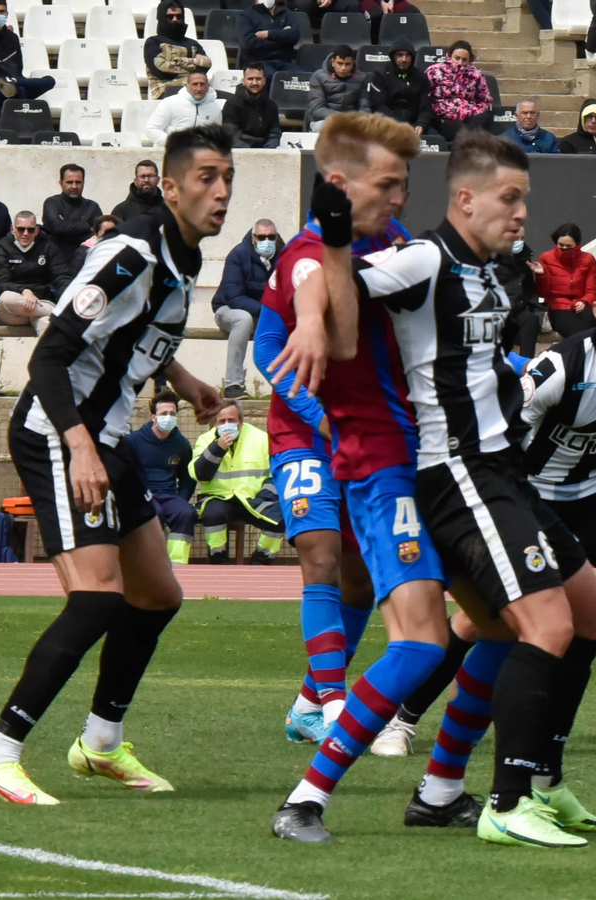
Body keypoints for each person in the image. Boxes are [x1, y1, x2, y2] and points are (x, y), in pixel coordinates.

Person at [284, 125, 596, 849]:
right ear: (466, 200)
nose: (522, 214)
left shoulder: (491, 270)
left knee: (585, 611)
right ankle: (504, 800)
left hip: (501, 469)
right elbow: (333, 293)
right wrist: (324, 275)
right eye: (510, 198)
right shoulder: (421, 258)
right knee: (509, 631)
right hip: (453, 469)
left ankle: (477, 788)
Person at [0, 126, 232, 806]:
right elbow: (50, 356)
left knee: (158, 595)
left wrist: (186, 381)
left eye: (228, 177)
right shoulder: (131, 252)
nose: (221, 191)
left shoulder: (183, 254)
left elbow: (132, 334)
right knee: (98, 598)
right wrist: (80, 445)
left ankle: (101, 744)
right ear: (171, 188)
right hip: (58, 430)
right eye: (206, 178)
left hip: (105, 435)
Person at [387, 261, 596, 769]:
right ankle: (403, 720)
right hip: (533, 502)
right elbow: (498, 436)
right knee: (478, 621)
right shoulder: (560, 366)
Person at [251, 114, 411, 746]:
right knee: (318, 554)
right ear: (342, 186)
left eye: (402, 185)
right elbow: (271, 344)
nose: (399, 198)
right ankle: (335, 703)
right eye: (388, 185)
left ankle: (307, 701)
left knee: (361, 579)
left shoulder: (393, 238)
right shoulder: (302, 252)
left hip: (368, 436)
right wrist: (319, 413)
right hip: (304, 434)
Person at [190, 403, 284, 564]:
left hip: (253, 498)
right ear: (215, 423)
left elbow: (275, 473)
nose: (227, 425)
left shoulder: (261, 439)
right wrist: (217, 448)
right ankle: (219, 560)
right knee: (213, 514)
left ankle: (261, 560)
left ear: (241, 422)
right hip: (219, 497)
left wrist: (266, 496)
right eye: (222, 421)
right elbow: (200, 475)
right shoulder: (205, 440)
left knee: (280, 515)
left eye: (231, 420)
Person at [123, 391, 197, 565]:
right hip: (144, 495)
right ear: (153, 417)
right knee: (153, 515)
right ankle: (152, 564)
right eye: (164, 414)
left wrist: (181, 499)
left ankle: (178, 563)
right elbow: (126, 473)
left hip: (169, 495)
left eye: (172, 414)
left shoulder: (182, 444)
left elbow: (188, 477)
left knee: (186, 513)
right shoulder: (133, 441)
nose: (168, 417)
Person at [214, 219, 280, 400]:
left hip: (263, 312)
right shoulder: (238, 255)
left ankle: (290, 387)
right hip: (228, 309)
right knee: (243, 319)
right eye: (262, 237)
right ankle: (233, 385)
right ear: (253, 238)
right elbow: (234, 297)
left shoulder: (283, 256)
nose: (267, 241)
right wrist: (268, 311)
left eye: (271, 237)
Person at [0, 211, 68, 339]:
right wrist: (24, 291)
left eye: (30, 230)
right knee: (6, 298)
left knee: (49, 332)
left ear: (37, 231)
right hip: (12, 311)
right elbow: (0, 283)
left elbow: (61, 276)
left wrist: (70, 297)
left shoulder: (48, 247)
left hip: (39, 305)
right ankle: (59, 314)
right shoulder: (1, 248)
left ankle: (53, 316)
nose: (25, 234)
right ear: (13, 229)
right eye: (21, 229)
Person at [536, 223, 596, 336]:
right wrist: (542, 275)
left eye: (568, 246)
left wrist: (584, 301)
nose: (564, 249)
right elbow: (543, 293)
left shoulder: (588, 259)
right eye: (561, 245)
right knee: (575, 329)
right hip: (559, 306)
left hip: (582, 305)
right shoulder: (546, 258)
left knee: (594, 324)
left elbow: (592, 290)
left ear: (577, 244)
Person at [426, 41, 495, 141]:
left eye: (464, 60)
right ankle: (465, 142)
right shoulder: (434, 71)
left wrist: (476, 110)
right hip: (443, 116)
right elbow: (425, 96)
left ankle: (464, 141)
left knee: (483, 118)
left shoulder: (476, 74)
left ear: (469, 60)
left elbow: (485, 100)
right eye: (457, 58)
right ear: (450, 55)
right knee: (461, 131)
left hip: (469, 116)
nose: (460, 62)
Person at [363, 41, 431, 136]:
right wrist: (396, 124)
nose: (404, 59)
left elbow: (425, 108)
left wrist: (421, 124)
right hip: (388, 122)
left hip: (414, 123)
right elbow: (379, 105)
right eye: (400, 55)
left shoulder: (421, 77)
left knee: (436, 141)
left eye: (408, 55)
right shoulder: (380, 75)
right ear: (393, 57)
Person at [145, 0, 210, 98]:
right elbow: (161, 71)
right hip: (166, 90)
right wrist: (193, 63)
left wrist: (177, 62)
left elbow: (205, 67)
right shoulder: (153, 42)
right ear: (162, 18)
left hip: (196, 88)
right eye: (170, 17)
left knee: (228, 98)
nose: (175, 19)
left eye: (179, 16)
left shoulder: (193, 44)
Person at [41, 164, 104, 261]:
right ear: (61, 183)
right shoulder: (52, 203)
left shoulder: (92, 206)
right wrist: (87, 227)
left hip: (85, 260)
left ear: (83, 183)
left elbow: (99, 234)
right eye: (69, 182)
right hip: (56, 261)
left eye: (78, 182)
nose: (74, 186)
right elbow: (57, 226)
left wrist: (65, 228)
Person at [145, 71, 224, 146]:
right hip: (170, 151)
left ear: (208, 86)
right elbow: (151, 129)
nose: (199, 88)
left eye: (202, 84)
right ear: (187, 86)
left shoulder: (215, 108)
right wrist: (174, 144)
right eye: (194, 84)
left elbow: (216, 136)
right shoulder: (170, 103)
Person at [220, 64, 283, 150]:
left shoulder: (271, 105)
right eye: (250, 79)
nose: (254, 83)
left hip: (266, 151)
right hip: (241, 151)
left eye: (258, 79)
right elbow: (231, 134)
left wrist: (268, 151)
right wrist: (250, 153)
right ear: (243, 81)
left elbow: (275, 133)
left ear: (264, 81)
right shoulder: (231, 104)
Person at [307, 45, 365, 129]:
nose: (343, 68)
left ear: (353, 63)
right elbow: (317, 110)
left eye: (347, 64)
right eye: (340, 63)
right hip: (325, 120)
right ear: (333, 62)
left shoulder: (361, 78)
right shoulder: (318, 76)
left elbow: (364, 108)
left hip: (352, 121)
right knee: (323, 127)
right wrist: (343, 118)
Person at [237, 0, 299, 79]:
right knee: (270, 77)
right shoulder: (246, 15)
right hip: (257, 63)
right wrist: (283, 38)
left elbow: (295, 35)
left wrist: (268, 34)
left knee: (301, 78)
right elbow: (248, 44)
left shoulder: (286, 13)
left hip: (284, 63)